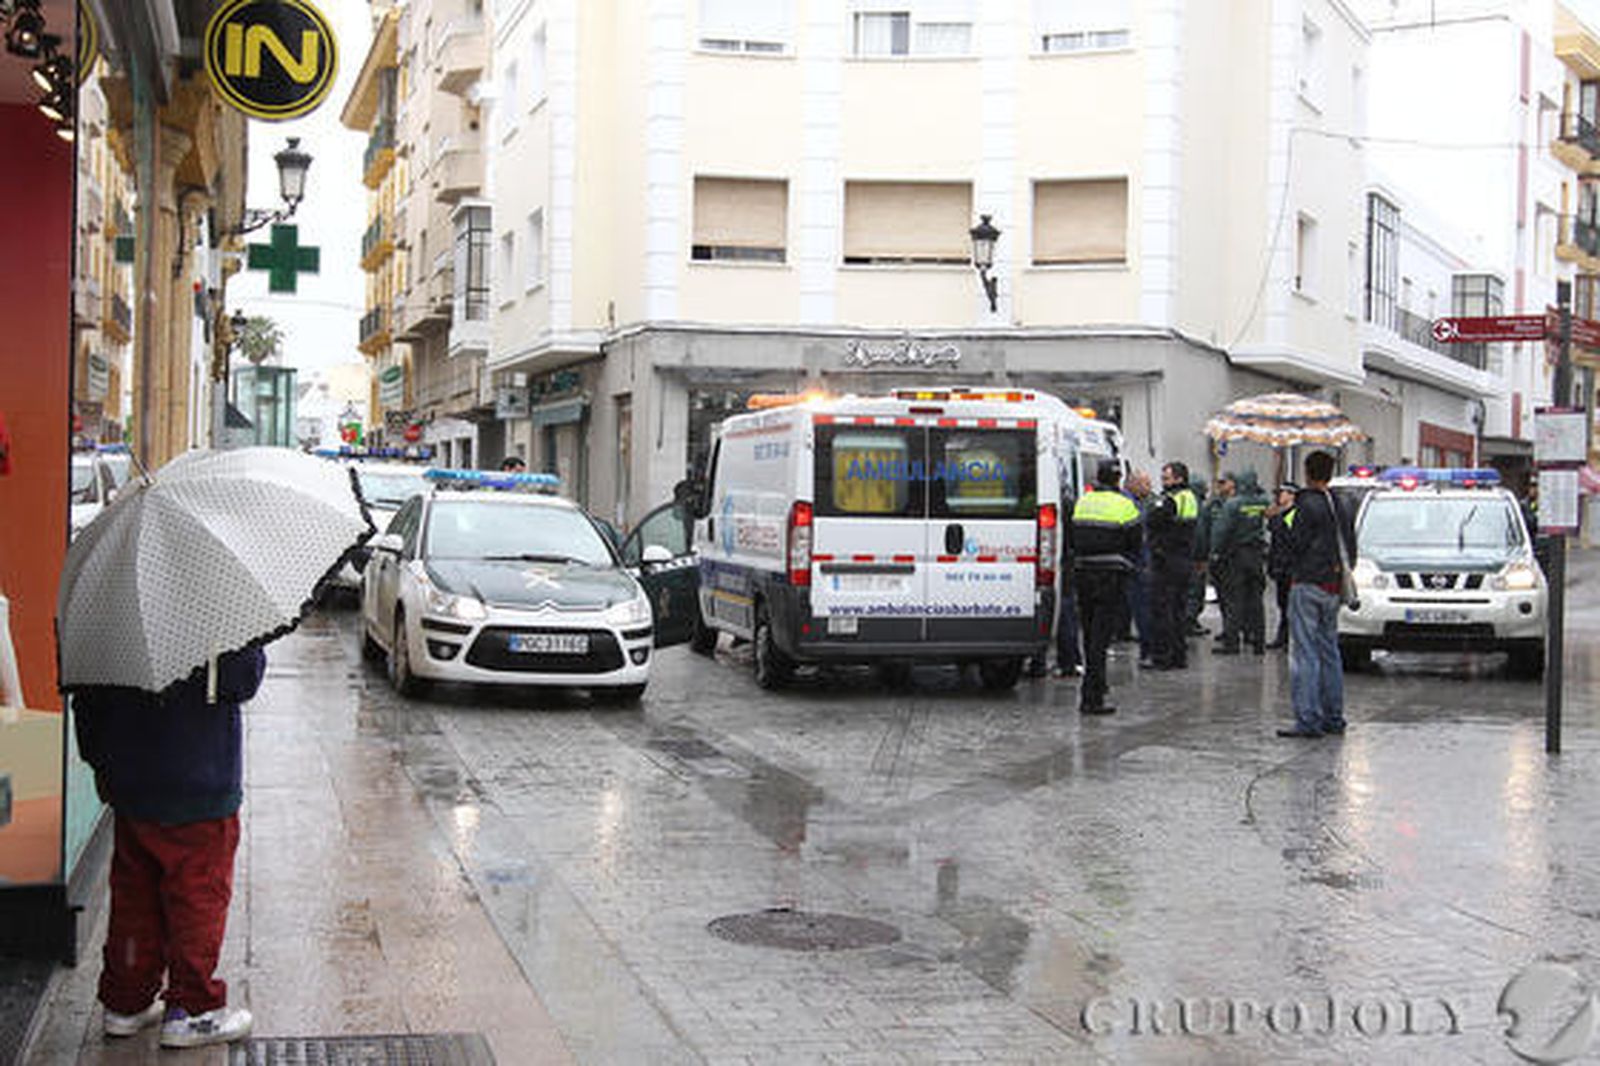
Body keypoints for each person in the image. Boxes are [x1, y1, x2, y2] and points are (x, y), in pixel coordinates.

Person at [74, 647, 266, 1047]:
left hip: (132, 781)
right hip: (199, 775)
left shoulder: (112, 607)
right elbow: (242, 679)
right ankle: (194, 1009)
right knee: (198, 895)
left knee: (134, 896)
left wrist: (100, 763)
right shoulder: (215, 606)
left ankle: (125, 1003)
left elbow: (87, 696)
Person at [1278, 451, 1348, 738]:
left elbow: (1296, 543)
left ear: (1307, 472)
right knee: (1329, 650)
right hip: (1332, 585)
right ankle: (1333, 715)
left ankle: (1308, 718)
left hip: (1307, 583)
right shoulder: (1338, 503)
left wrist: (1280, 521)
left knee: (1305, 654)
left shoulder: (1306, 504)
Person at [1068, 460, 1142, 715]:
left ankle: (1096, 686)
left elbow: (1072, 535)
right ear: (1117, 479)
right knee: (1101, 637)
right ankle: (1092, 697)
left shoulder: (1084, 501)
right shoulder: (1125, 505)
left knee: (1089, 635)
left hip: (1083, 573)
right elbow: (1135, 541)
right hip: (1111, 576)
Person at [1145, 460, 1199, 670]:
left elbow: (1153, 519)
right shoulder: (1190, 498)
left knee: (1162, 609)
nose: (1163, 482)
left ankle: (1162, 657)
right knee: (1178, 609)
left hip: (1166, 560)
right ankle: (1179, 655)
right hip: (1183, 559)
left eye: (1166, 478)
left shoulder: (1171, 499)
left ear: (1179, 478)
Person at [1211, 468, 1269, 654]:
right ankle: (1259, 643)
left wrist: (1215, 553)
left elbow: (1221, 531)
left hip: (1236, 556)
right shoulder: (1262, 502)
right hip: (1256, 555)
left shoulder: (1232, 505)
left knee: (1234, 600)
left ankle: (1232, 643)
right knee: (1256, 601)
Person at [1264, 482, 1299, 649]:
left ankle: (1288, 639)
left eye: (1283, 493)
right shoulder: (1281, 513)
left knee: (1290, 607)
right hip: (1280, 567)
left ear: (1292, 495)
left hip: (1289, 567)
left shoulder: (1294, 515)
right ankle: (1283, 637)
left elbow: (1290, 541)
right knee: (1282, 604)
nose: (1279, 496)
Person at [1205, 474, 1237, 650]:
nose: (1220, 486)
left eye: (1224, 483)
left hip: (1232, 557)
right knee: (1223, 597)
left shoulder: (1237, 504)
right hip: (1216, 556)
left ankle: (1234, 636)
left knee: (1233, 599)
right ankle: (1228, 630)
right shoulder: (1214, 504)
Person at [1185, 475, 1211, 636]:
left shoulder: (1184, 501)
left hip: (1183, 554)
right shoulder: (1199, 507)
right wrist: (1203, 557)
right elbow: (1201, 533)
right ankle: (1190, 622)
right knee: (1195, 590)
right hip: (1195, 556)